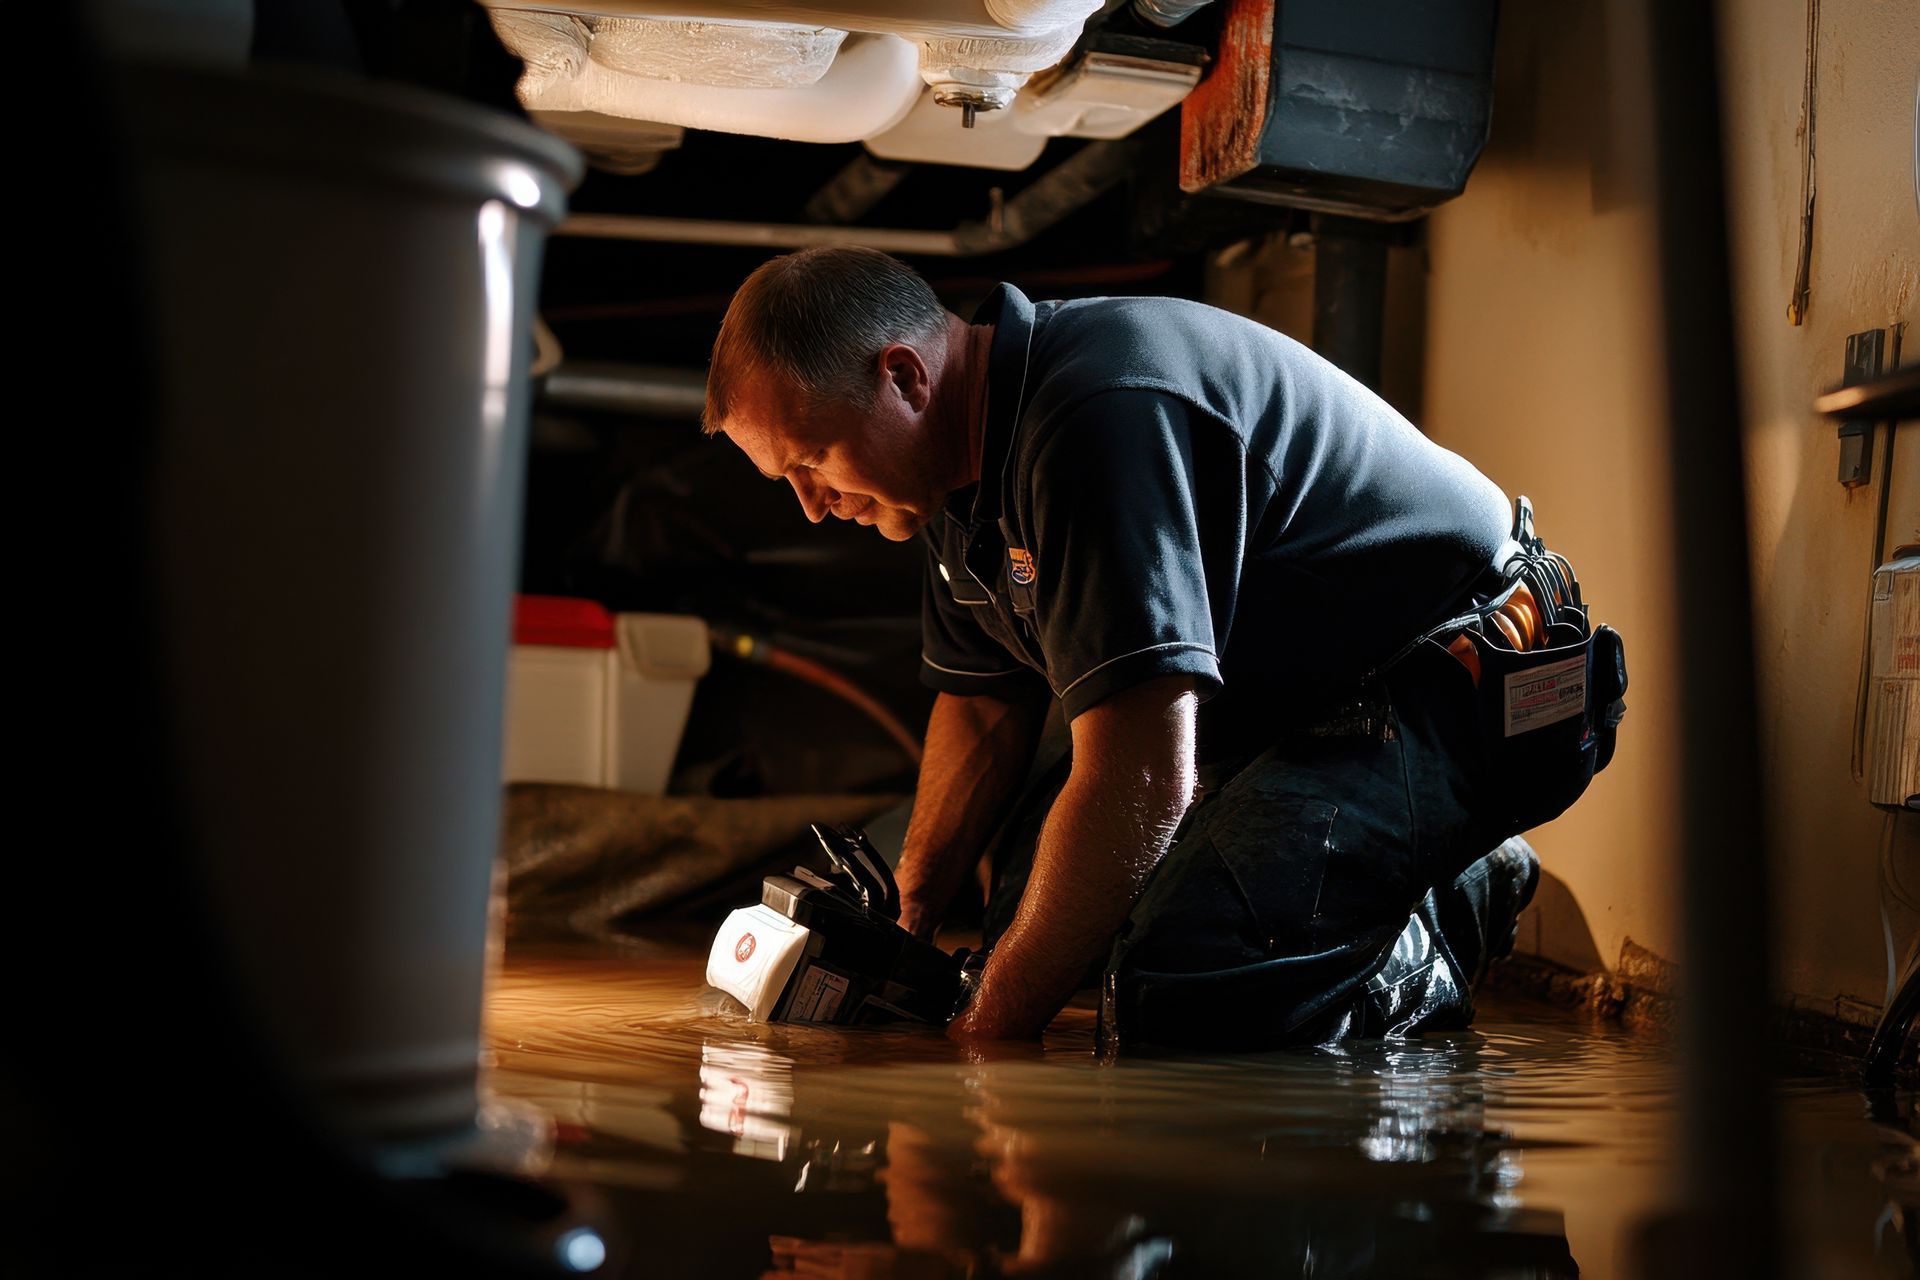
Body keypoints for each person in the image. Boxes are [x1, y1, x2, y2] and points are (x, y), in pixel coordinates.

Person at [703, 245, 1588, 1049]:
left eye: (811, 461)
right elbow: (981, 703)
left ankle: (1452, 898)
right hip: (1304, 709)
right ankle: (1363, 884)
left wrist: (986, 1039)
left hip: (1474, 676)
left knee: (1177, 991)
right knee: (1034, 929)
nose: (813, 506)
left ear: (904, 377)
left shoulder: (1096, 417)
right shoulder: (944, 478)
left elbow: (1142, 778)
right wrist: (911, 914)